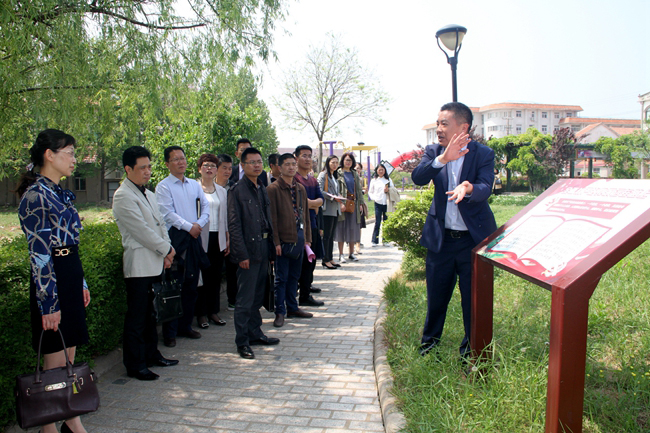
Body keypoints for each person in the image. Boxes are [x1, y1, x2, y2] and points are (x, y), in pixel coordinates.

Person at [17, 129, 91, 433]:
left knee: (69, 359)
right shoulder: (35, 196)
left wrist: (81, 282)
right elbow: (40, 255)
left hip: (69, 273)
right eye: (69, 153)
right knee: (54, 365)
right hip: (52, 280)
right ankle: (50, 426)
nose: (74, 159)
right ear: (49, 155)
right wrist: (49, 304)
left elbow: (70, 243)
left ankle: (71, 419)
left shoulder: (60, 192)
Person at [411, 102, 497, 358]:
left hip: (473, 241)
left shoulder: (483, 154)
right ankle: (429, 348)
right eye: (438, 123)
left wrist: (468, 188)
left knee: (473, 301)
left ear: (463, 127)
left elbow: (485, 187)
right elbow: (418, 177)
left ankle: (471, 353)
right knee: (436, 298)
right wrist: (442, 159)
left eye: (444, 123)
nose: (438, 128)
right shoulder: (433, 151)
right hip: (442, 241)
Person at [112, 146, 179, 381]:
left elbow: (161, 225)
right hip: (139, 265)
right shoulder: (123, 196)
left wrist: (168, 250)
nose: (148, 171)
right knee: (137, 317)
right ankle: (135, 364)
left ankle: (152, 354)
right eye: (142, 168)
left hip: (157, 260)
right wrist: (166, 250)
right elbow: (141, 231)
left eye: (149, 166)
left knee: (152, 315)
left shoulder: (148, 194)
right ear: (128, 169)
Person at [155, 146, 210, 347]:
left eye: (182, 158)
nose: (181, 162)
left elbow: (205, 207)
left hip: (193, 237)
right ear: (167, 164)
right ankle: (169, 332)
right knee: (173, 285)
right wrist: (189, 227)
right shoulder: (163, 187)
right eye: (175, 159)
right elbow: (167, 214)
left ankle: (185, 326)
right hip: (176, 239)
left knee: (191, 285)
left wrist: (199, 224)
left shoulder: (194, 185)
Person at [228, 147, 279, 359]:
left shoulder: (261, 187)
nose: (257, 165)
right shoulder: (236, 190)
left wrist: (273, 247)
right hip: (248, 252)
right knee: (245, 299)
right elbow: (234, 225)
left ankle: (255, 333)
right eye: (252, 162)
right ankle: (242, 341)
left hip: (263, 248)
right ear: (242, 165)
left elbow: (268, 219)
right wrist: (241, 255)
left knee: (258, 296)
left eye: (259, 162)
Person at [267, 153, 314, 328]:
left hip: (299, 238)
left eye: (293, 164)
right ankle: (280, 312)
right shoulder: (273, 189)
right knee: (281, 278)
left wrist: (307, 239)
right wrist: (276, 242)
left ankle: (293, 308)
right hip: (283, 241)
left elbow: (305, 215)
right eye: (287, 164)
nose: (291, 167)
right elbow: (272, 219)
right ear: (279, 167)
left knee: (295, 276)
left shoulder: (300, 188)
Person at [195, 153, 229, 328]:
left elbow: (225, 216)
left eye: (213, 166)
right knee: (202, 276)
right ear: (199, 168)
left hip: (218, 237)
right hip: (201, 237)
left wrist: (227, 238)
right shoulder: (194, 188)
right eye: (206, 165)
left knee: (215, 276)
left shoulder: (222, 191)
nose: (209, 169)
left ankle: (213, 311)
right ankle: (201, 314)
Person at [294, 145, 325, 307]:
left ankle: (305, 295)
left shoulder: (312, 180)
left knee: (310, 261)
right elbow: (297, 201)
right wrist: (313, 204)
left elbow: (321, 199)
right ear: (296, 157)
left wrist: (311, 203)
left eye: (309, 156)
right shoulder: (294, 179)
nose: (307, 159)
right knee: (299, 262)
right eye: (304, 155)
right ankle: (295, 295)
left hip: (312, 224)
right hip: (297, 226)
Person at [334, 152, 364, 263]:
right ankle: (341, 254)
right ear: (342, 161)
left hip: (353, 203)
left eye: (350, 160)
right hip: (342, 203)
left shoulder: (354, 173)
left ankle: (351, 253)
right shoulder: (338, 173)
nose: (348, 162)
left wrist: (360, 204)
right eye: (346, 160)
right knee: (341, 228)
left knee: (352, 228)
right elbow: (335, 189)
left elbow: (359, 190)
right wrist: (339, 202)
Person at [317, 155, 342, 269]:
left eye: (337, 162)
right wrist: (332, 197)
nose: (335, 165)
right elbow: (320, 190)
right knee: (326, 235)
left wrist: (339, 196)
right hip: (327, 209)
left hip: (335, 209)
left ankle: (330, 258)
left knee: (331, 235)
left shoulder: (334, 176)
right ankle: (325, 259)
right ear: (328, 163)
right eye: (333, 162)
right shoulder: (323, 175)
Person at [368, 163, 394, 246]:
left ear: (385, 171)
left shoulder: (388, 180)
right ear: (376, 171)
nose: (381, 171)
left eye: (382, 170)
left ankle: (385, 240)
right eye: (379, 170)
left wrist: (388, 190)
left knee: (386, 222)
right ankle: (374, 241)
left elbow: (393, 189)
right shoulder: (374, 180)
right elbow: (370, 192)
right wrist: (374, 198)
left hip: (386, 203)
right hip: (378, 203)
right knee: (377, 222)